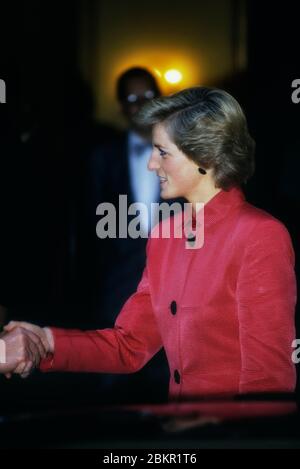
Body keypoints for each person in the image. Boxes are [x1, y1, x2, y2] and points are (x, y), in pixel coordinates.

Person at [0, 87, 297, 399]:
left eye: (163, 152)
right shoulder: (163, 236)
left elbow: (268, 380)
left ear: (205, 157)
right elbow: (129, 346)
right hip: (179, 435)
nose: (151, 164)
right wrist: (46, 341)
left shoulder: (260, 235)